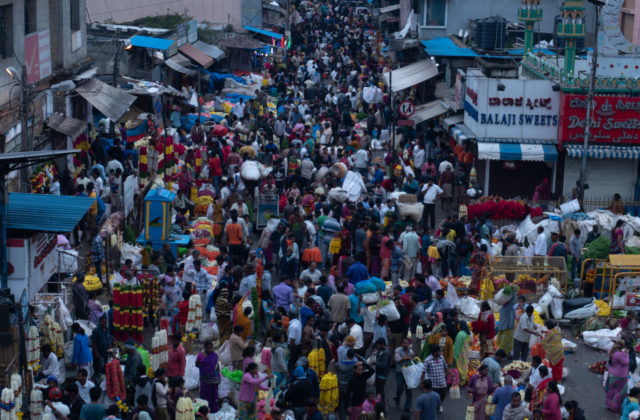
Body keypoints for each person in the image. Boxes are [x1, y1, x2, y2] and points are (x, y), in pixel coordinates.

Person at [196, 341, 220, 413]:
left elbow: (217, 367)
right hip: (204, 379)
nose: (209, 349)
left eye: (211, 348)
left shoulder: (215, 355)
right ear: (205, 348)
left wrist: (216, 376)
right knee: (205, 393)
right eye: (208, 348)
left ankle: (213, 409)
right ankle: (204, 409)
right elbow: (197, 364)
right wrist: (204, 370)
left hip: (213, 379)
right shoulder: (200, 355)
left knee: (213, 394)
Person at [421, 344, 448, 409]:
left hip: (442, 382)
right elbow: (423, 371)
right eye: (438, 351)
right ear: (434, 353)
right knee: (433, 396)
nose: (440, 353)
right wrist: (421, 382)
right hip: (433, 383)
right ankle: (435, 407)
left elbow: (445, 367)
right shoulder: (428, 360)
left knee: (443, 395)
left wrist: (451, 374)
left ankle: (439, 404)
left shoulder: (442, 358)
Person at [606, 342, 630, 412]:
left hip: (612, 374)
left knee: (611, 391)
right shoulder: (619, 354)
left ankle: (609, 405)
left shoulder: (611, 350)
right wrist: (627, 354)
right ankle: (614, 407)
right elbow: (626, 362)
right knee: (619, 392)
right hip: (619, 376)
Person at [394, 338, 414, 412]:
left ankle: (408, 407)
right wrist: (405, 358)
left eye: (407, 343)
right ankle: (398, 397)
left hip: (408, 373)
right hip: (400, 372)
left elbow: (413, 361)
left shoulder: (411, 352)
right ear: (401, 344)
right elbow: (397, 359)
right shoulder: (398, 350)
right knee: (400, 388)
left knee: (409, 390)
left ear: (409, 344)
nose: (406, 344)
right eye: (404, 343)